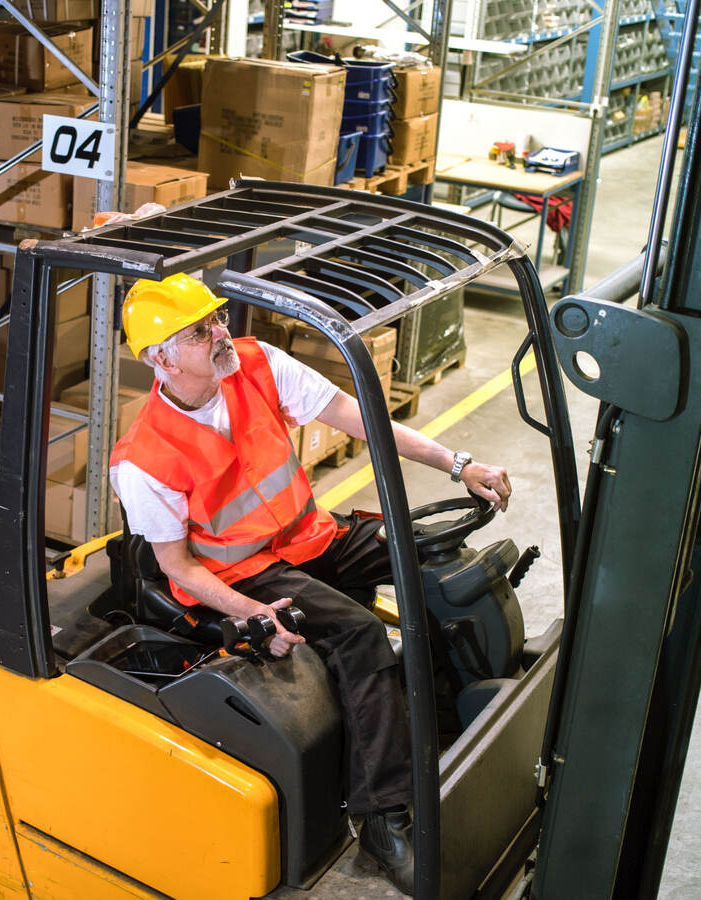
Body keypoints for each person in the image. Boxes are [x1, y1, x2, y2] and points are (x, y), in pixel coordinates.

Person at [108, 273, 511, 895]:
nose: (221, 332)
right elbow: (179, 567)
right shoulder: (142, 458)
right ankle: (382, 818)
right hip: (247, 573)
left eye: (216, 318)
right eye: (199, 330)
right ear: (160, 358)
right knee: (358, 632)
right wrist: (252, 613)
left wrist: (458, 463)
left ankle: (444, 713)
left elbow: (356, 416)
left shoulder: (254, 362)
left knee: (430, 559)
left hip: (310, 537)